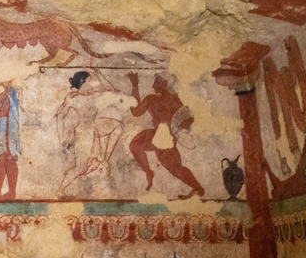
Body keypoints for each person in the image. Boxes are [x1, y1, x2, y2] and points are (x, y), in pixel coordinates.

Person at [127, 72, 204, 200]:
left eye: (156, 81)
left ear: (165, 83)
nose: (152, 85)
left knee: (175, 168)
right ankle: (149, 172)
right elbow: (136, 112)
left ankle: (197, 188)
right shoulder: (155, 99)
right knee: (135, 145)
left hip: (165, 137)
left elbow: (188, 117)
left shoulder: (173, 99)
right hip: (158, 134)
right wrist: (135, 86)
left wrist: (183, 126)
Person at [55, 70, 124, 199]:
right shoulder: (72, 98)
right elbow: (60, 116)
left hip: (94, 128)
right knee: (80, 167)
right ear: (82, 82)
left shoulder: (94, 94)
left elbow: (111, 89)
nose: (92, 83)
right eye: (89, 80)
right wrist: (62, 138)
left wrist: (97, 73)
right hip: (83, 133)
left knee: (118, 126)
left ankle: (104, 159)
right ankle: (60, 191)